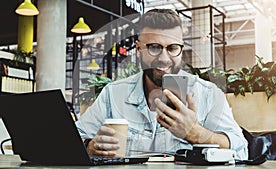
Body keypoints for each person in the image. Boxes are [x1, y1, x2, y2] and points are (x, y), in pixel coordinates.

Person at [75, 8, 248, 160]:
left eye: (172, 48)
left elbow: (242, 151)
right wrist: (90, 146)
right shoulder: (113, 94)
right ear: (138, 49)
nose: (164, 59)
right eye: (154, 47)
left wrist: (197, 133)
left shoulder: (209, 94)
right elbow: (74, 140)